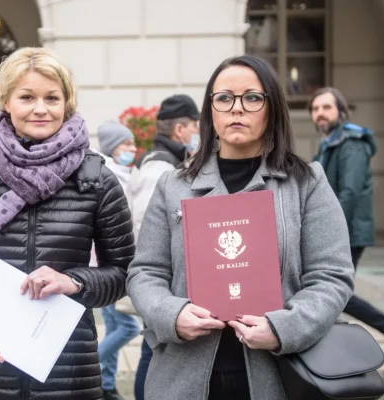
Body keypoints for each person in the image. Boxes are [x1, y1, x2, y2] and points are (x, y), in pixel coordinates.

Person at [127, 55, 356, 400]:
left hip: (278, 373)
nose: (237, 109)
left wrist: (284, 328)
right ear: (210, 110)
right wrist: (171, 315)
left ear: (272, 107)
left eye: (252, 97)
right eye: (224, 98)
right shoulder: (173, 185)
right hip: (185, 375)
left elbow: (332, 275)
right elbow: (145, 272)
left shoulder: (306, 183)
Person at [0, 47, 135, 399]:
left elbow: (125, 272)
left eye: (52, 97)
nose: (40, 108)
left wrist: (74, 282)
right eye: (27, 97)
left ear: (67, 102)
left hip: (69, 368)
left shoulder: (96, 179)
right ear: (5, 101)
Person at [309, 87, 384, 372]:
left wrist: (327, 231)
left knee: (336, 293)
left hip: (347, 230)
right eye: (316, 108)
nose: (320, 113)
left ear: (340, 111)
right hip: (338, 229)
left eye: (326, 107)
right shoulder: (329, 143)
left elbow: (349, 193)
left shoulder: (351, 143)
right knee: (328, 293)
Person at [129, 93, 200, 400]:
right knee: (152, 350)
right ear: (180, 131)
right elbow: (148, 229)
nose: (200, 133)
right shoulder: (160, 169)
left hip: (168, 282)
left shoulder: (171, 163)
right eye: (196, 126)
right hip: (162, 284)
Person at [92, 120, 141, 400]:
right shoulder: (109, 175)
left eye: (133, 143)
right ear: (112, 148)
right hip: (107, 265)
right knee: (127, 326)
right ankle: (89, 367)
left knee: (114, 325)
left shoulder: (123, 173)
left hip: (113, 263)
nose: (133, 149)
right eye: (127, 144)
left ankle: (107, 385)